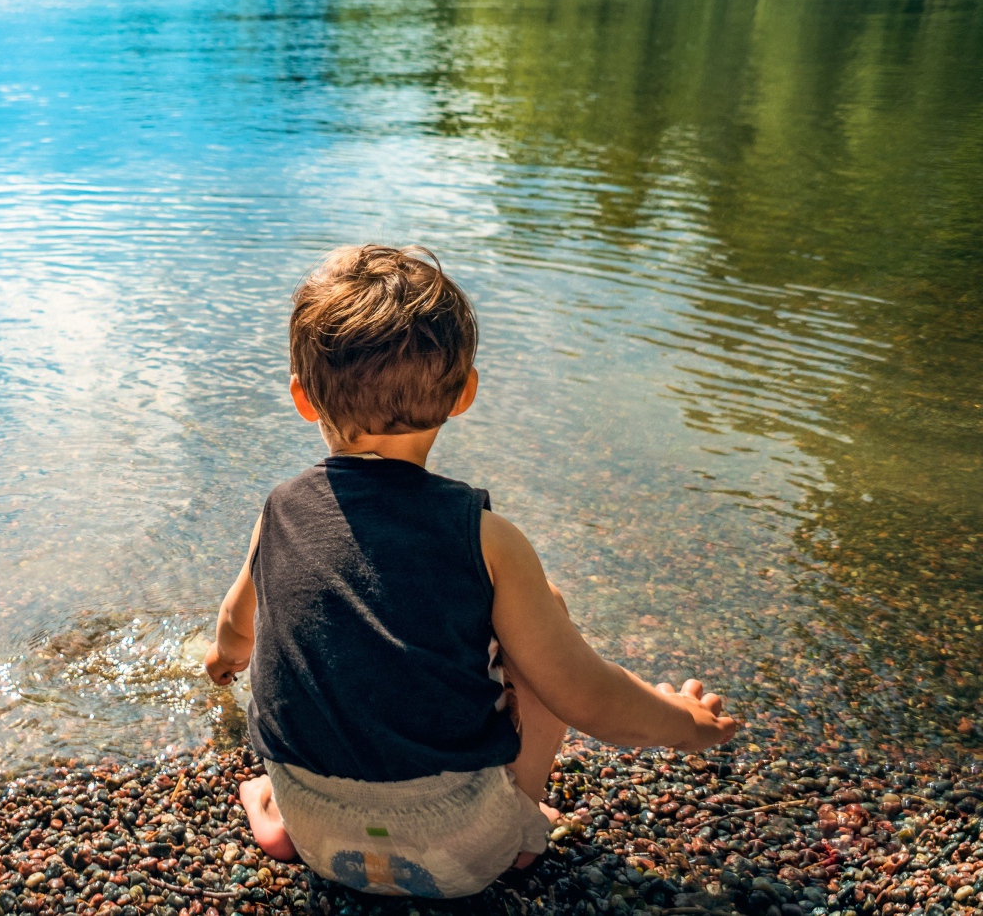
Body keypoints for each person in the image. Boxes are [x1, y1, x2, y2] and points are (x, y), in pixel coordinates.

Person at [204, 244, 738, 899]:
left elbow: (237, 625)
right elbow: (589, 698)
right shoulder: (487, 540)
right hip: (462, 853)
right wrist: (686, 723)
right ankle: (523, 821)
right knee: (542, 610)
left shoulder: (279, 512)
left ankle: (275, 812)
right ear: (464, 394)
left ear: (302, 400)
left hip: (319, 839)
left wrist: (222, 661)